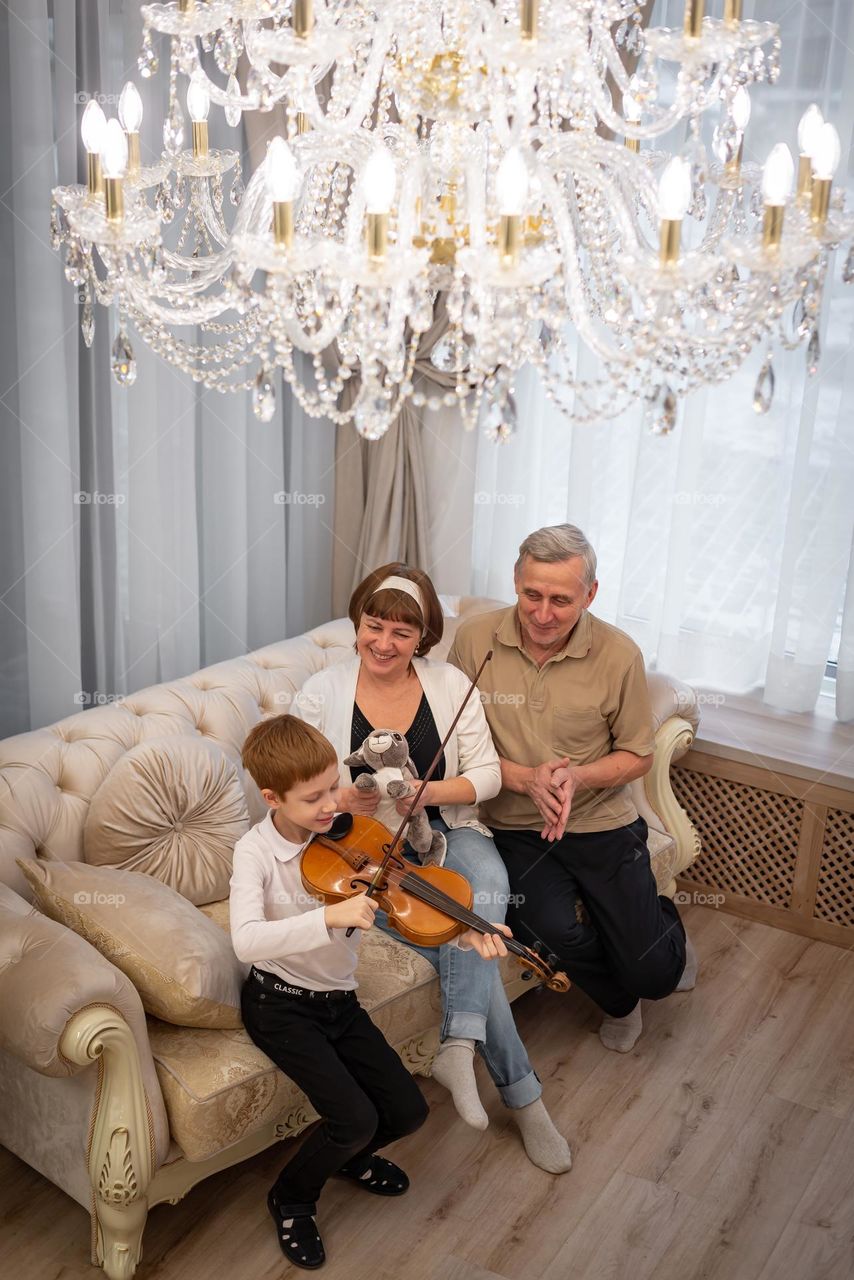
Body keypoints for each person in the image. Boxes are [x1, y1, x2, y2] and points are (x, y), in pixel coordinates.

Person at [292, 563, 572, 1174]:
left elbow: (488, 775)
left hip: (448, 828)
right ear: (357, 623)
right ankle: (525, 1099)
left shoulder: (449, 683)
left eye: (401, 632)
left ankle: (459, 1045)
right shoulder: (320, 691)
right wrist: (341, 800)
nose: (384, 643)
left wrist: (429, 793)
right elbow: (290, 787)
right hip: (366, 850)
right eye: (374, 626)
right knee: (462, 930)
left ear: (423, 636)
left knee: (485, 887)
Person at [230, 714, 509, 1270]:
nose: (330, 805)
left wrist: (466, 934)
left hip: (339, 1002)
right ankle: (292, 1197)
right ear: (272, 798)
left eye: (331, 786)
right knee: (354, 1119)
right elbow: (245, 940)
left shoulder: (351, 833)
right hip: (280, 1006)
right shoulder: (254, 853)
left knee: (407, 1112)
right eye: (312, 798)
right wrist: (328, 917)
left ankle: (349, 1159)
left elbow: (407, 902)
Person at [448, 524, 698, 1055]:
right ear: (515, 582)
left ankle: (665, 928)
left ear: (590, 594)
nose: (542, 614)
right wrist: (525, 779)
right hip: (514, 828)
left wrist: (577, 776)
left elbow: (638, 754)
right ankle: (619, 1002)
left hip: (602, 822)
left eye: (560, 600)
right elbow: (455, 745)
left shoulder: (619, 654)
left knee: (655, 973)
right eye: (531, 595)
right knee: (550, 931)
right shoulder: (473, 640)